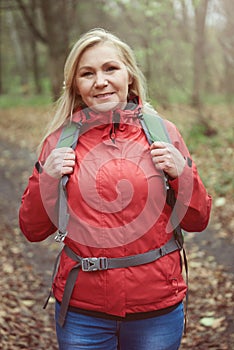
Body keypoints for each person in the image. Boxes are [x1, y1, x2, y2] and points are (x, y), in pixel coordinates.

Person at [19, 28, 212, 350]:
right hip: (84, 311)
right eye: (87, 73)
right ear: (77, 87)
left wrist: (182, 173)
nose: (100, 81)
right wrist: (47, 178)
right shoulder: (59, 143)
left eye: (111, 68)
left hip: (157, 307)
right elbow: (33, 229)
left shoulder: (162, 133)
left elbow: (198, 220)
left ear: (130, 77)